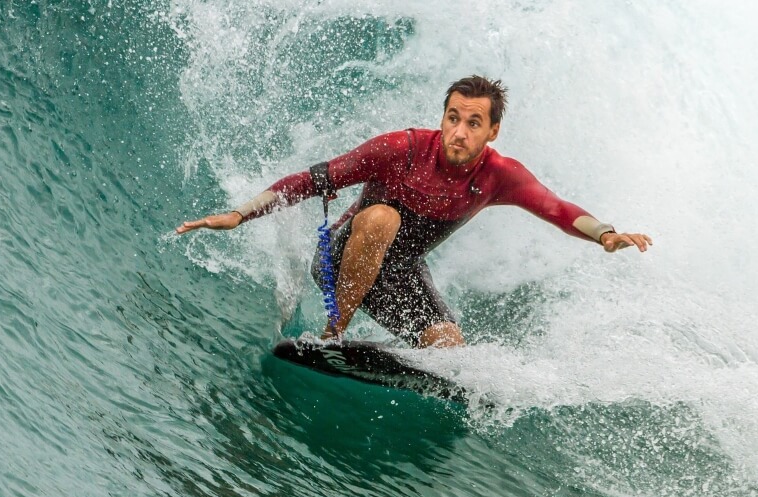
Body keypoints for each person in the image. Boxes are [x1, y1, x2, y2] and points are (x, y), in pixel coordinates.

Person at [176, 75, 652, 348]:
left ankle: (373, 350)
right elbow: (313, 180)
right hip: (339, 261)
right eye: (453, 118)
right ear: (442, 116)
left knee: (452, 349)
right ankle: (332, 336)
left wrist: (605, 233)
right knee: (383, 217)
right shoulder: (400, 149)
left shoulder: (498, 177)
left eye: (473, 123)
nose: (459, 132)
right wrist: (239, 215)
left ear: (493, 131)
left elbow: (556, 208)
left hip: (397, 275)